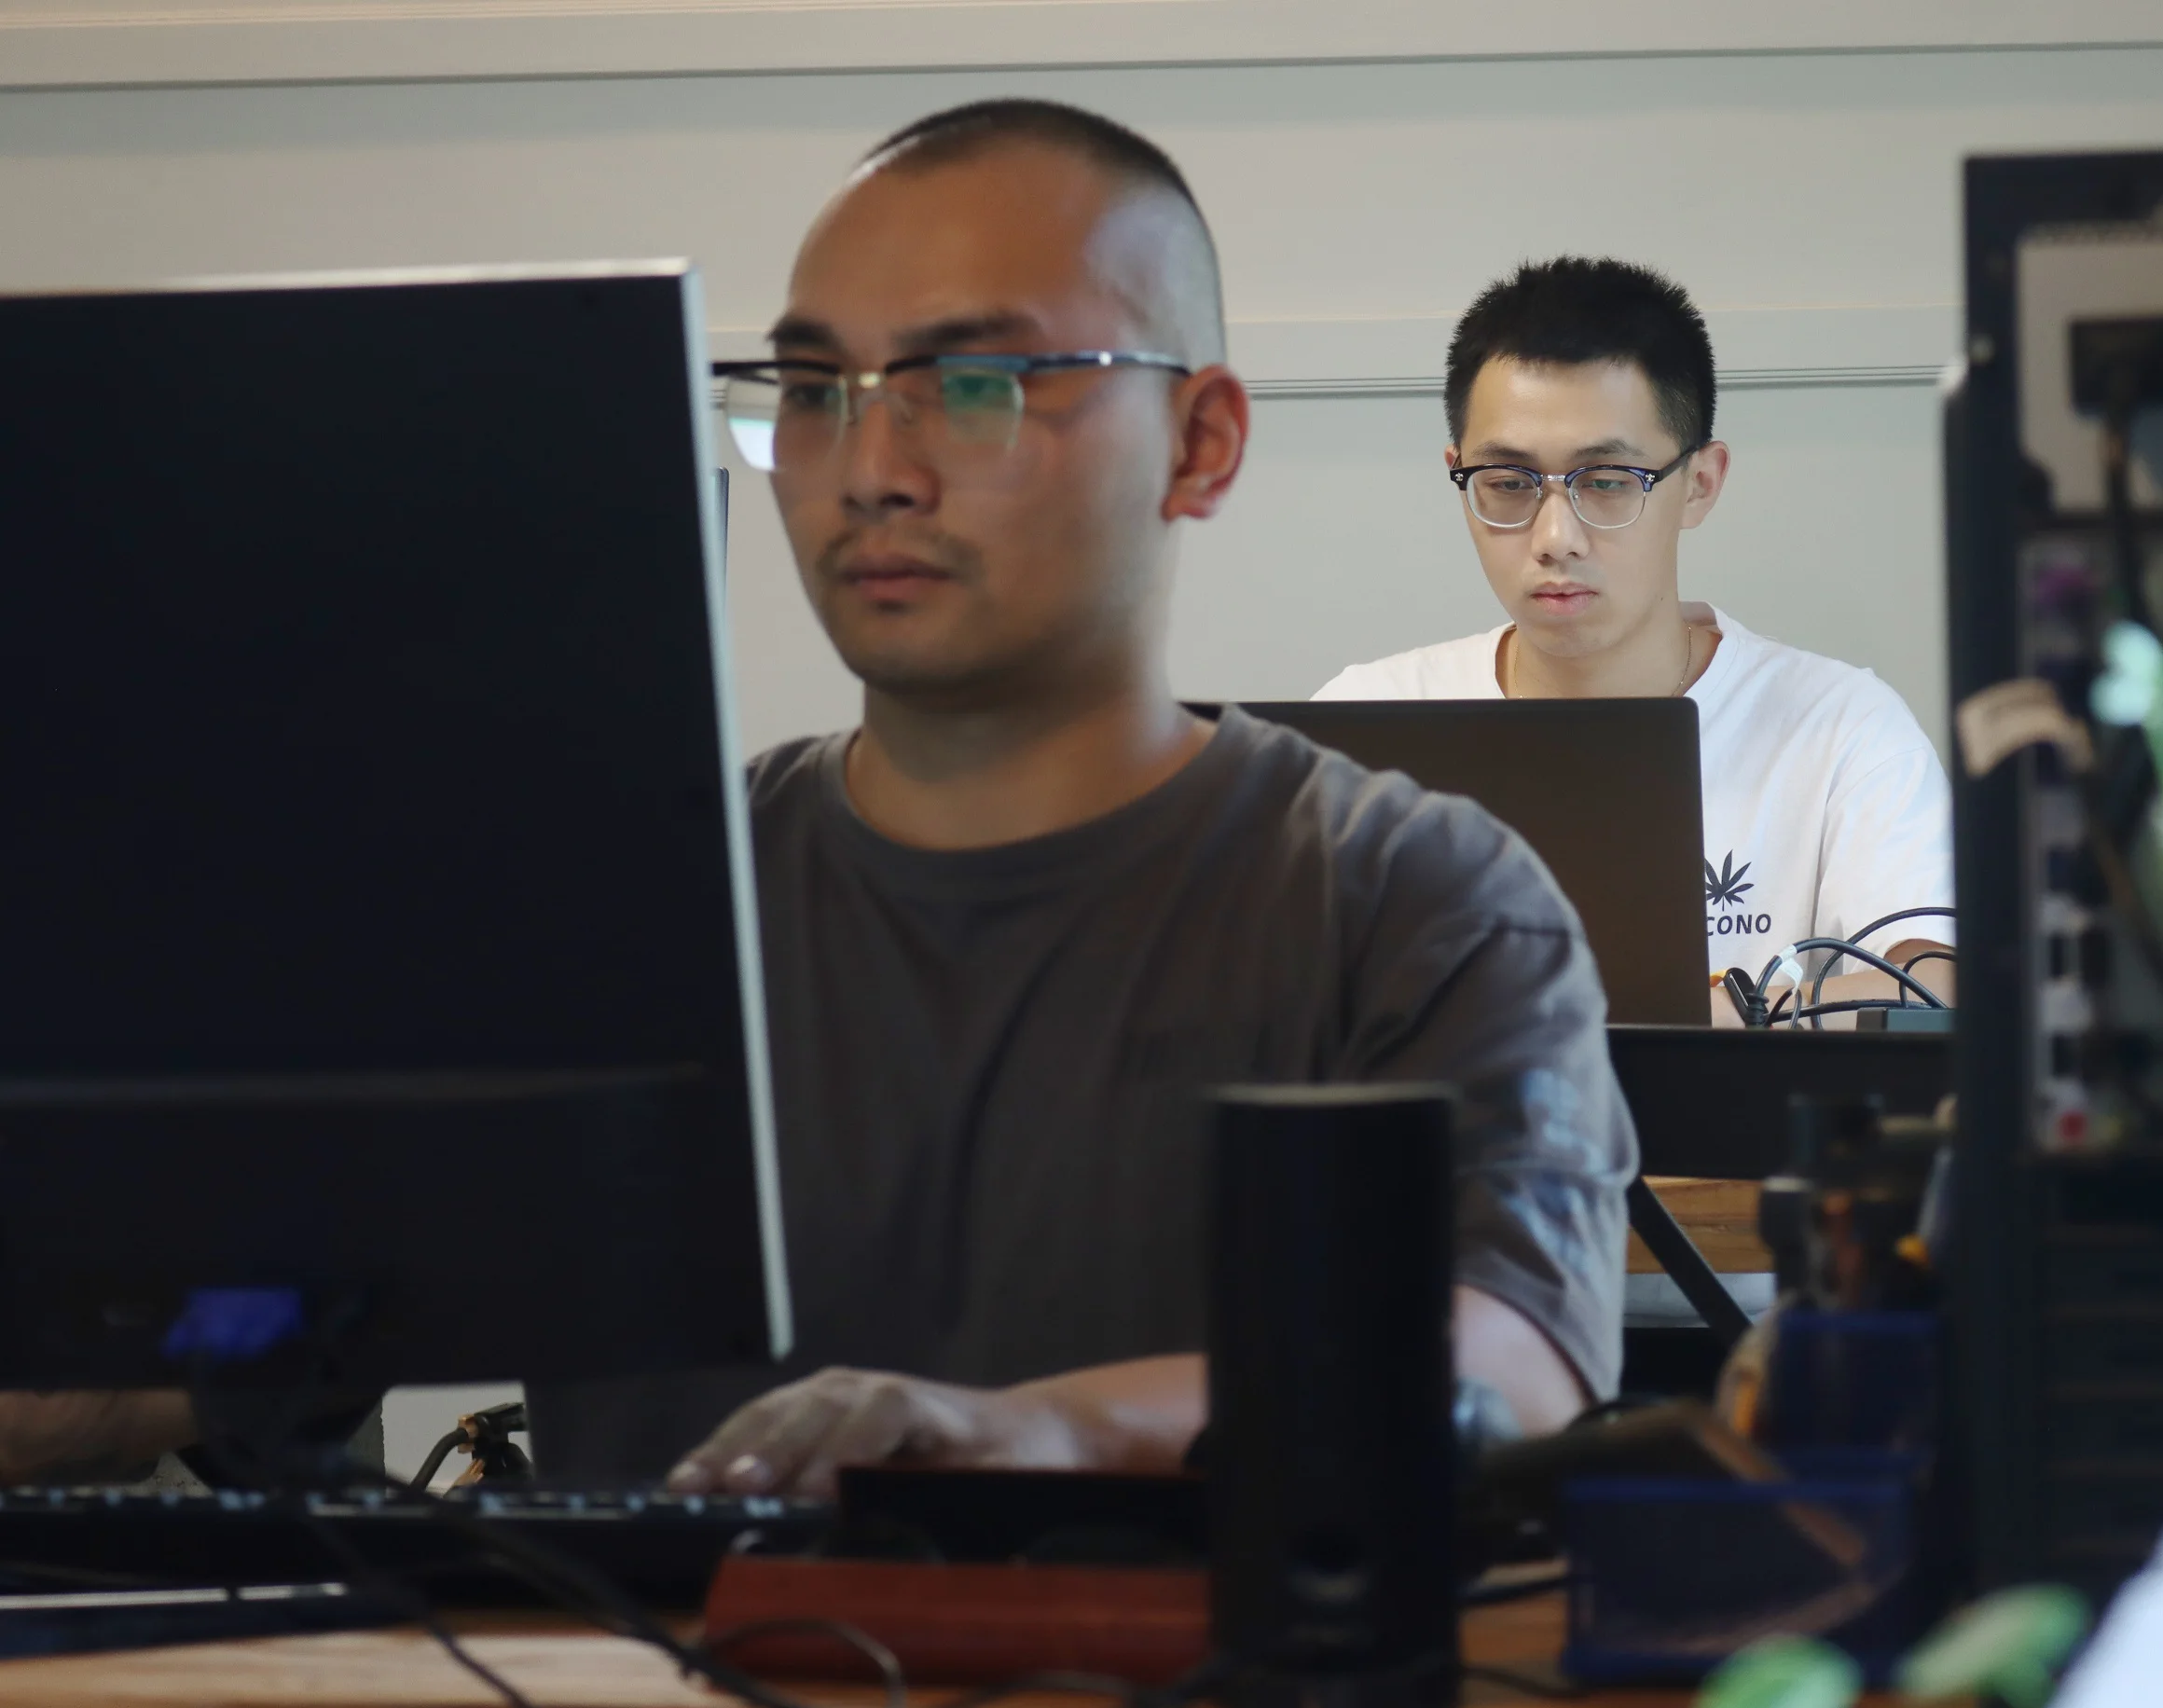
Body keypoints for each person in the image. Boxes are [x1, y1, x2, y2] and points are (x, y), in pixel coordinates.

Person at [0, 99, 1632, 1497]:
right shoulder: (610, 911)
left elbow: (1506, 1364)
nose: (870, 467)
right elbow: (228, 1338)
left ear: (1200, 444)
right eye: (810, 389)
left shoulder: (1414, 903)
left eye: (971, 385)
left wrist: (1032, 1432)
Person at [1313, 258, 1956, 1020]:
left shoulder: (1839, 728)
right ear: (1460, 476)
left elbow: (1936, 988)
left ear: (1701, 483)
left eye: (1608, 480)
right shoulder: (1367, 723)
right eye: (1509, 484)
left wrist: (1664, 1021)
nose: (1555, 537)